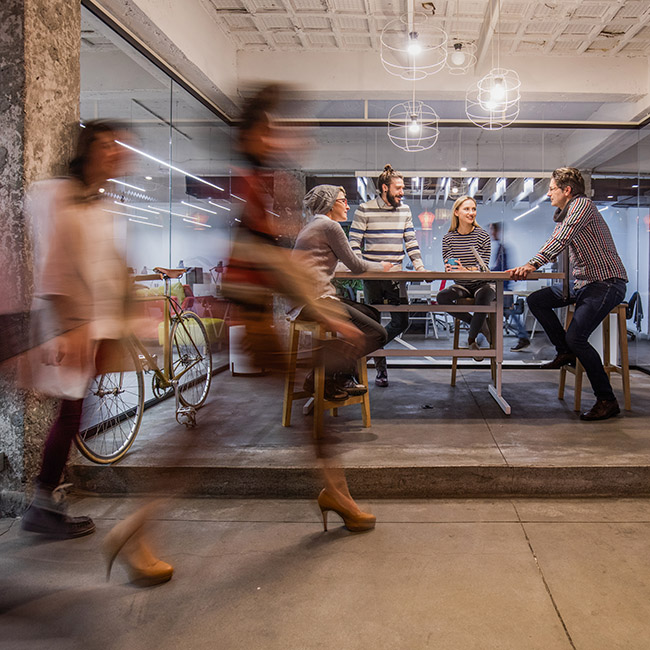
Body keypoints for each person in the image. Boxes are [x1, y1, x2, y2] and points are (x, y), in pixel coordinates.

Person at [222, 84, 377, 533]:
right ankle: (137, 525)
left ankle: (337, 489)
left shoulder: (259, 186)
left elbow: (275, 262)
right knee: (200, 441)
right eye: (272, 131)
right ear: (252, 134)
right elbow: (270, 264)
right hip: (252, 317)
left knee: (315, 422)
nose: (282, 140)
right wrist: (325, 313)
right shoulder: (251, 187)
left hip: (259, 313)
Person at [509, 167, 628, 421]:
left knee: (578, 338)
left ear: (567, 190)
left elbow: (561, 238)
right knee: (537, 300)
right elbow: (559, 234)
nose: (549, 193)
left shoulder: (581, 205)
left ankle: (607, 399)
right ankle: (564, 351)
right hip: (582, 284)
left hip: (605, 283)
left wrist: (532, 263)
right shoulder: (568, 211)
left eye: (552, 189)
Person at [291, 185, 389, 398]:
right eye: (343, 200)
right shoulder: (330, 227)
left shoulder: (313, 226)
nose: (347, 205)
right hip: (314, 301)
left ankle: (339, 377)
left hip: (306, 301)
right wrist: (383, 266)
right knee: (378, 333)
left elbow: (334, 265)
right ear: (330, 204)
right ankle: (327, 372)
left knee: (372, 313)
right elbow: (356, 266)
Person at [349, 164, 426, 387]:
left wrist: (420, 267)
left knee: (401, 321)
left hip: (397, 276)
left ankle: (361, 352)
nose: (403, 192)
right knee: (373, 323)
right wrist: (365, 265)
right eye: (399, 188)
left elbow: (410, 242)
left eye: (403, 188)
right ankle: (381, 371)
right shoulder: (364, 209)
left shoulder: (405, 211)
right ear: (385, 188)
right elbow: (354, 243)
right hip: (372, 276)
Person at [437, 195, 494, 358]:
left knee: (483, 296)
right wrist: (450, 268)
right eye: (467, 209)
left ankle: (471, 340)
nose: (471, 212)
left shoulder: (482, 236)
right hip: (462, 284)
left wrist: (465, 269)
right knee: (442, 298)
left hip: (482, 283)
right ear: (456, 212)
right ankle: (479, 324)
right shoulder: (448, 238)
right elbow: (448, 265)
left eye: (474, 209)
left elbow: (483, 267)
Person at [488, 222, 530, 351]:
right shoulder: (501, 248)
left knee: (504, 311)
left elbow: (501, 268)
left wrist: (488, 272)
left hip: (503, 286)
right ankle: (522, 337)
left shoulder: (503, 248)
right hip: (502, 285)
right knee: (504, 312)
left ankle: (523, 337)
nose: (491, 234)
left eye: (492, 231)